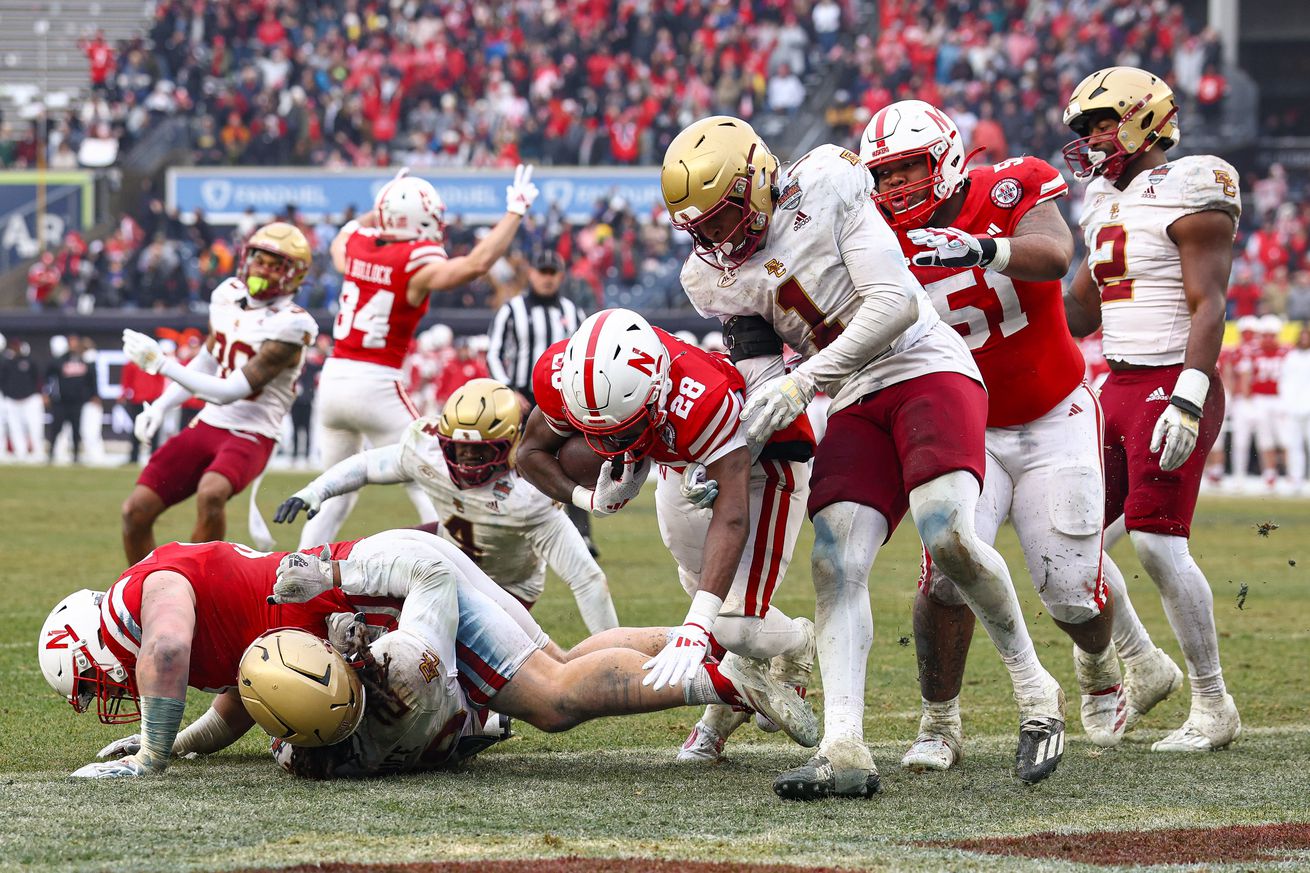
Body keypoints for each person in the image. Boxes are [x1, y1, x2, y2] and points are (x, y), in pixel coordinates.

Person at [663, 115, 1066, 796]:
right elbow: (765, 381)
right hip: (851, 392)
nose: (717, 240)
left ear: (760, 182)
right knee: (834, 559)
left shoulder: (830, 184)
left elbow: (894, 307)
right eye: (700, 229)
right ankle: (843, 745)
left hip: (925, 367)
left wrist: (805, 380)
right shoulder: (712, 275)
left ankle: (1037, 692)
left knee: (948, 533)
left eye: (725, 217)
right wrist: (736, 450)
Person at [860, 100, 1173, 767]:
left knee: (1066, 587)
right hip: (964, 426)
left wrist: (984, 248)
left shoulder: (1010, 185)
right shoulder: (875, 240)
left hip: (1053, 414)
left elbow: (1056, 254)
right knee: (946, 573)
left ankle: (1095, 665)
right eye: (884, 177)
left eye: (908, 169)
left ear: (944, 158)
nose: (896, 189)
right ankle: (939, 722)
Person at [38, 529, 815, 779]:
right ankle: (716, 641)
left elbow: (169, 644)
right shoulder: (169, 605)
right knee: (569, 658)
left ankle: (722, 679)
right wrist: (179, 739)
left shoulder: (151, 583)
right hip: (391, 576)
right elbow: (235, 701)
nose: (106, 688)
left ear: (88, 640)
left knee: (552, 697)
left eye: (90, 680)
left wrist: (149, 754)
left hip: (393, 583)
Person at [518, 308, 819, 763]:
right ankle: (733, 691)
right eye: (599, 433)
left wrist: (698, 627)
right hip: (682, 461)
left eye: (625, 431)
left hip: (761, 462)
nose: (613, 447)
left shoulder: (701, 398)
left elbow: (732, 516)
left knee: (728, 621)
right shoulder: (566, 377)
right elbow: (529, 453)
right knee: (697, 586)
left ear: (655, 391)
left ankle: (796, 643)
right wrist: (589, 499)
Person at [1062, 65, 1241, 751]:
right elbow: (1081, 306)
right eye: (1085, 128)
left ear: (1145, 118)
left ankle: (1213, 700)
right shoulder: (1102, 201)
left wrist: (1191, 397)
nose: (1093, 139)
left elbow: (1209, 302)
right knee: (1073, 541)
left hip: (1174, 377)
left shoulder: (1193, 186)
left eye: (1103, 123)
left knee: (1158, 542)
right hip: (1118, 384)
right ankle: (1145, 663)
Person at [299, 167, 540, 550]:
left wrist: (386, 201)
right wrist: (515, 212)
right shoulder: (414, 260)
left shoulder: (357, 243)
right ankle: (458, 563)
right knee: (429, 476)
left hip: (332, 382)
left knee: (333, 490)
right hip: (376, 383)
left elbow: (340, 240)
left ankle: (297, 568)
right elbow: (476, 265)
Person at [274, 378, 620, 634]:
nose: (467, 460)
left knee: (456, 666)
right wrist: (315, 491)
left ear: (513, 443)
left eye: (481, 450)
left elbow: (587, 579)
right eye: (458, 449)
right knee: (373, 554)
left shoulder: (529, 495)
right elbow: (367, 465)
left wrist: (609, 652)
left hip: (504, 589)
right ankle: (308, 621)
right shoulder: (427, 452)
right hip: (443, 552)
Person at [118, 222, 319, 565]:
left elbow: (229, 391)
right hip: (209, 422)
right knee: (134, 511)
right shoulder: (226, 295)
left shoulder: (293, 324)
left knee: (212, 494)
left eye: (275, 265)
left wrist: (161, 365)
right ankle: (141, 595)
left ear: (293, 274)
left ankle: (194, 587)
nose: (263, 270)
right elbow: (209, 360)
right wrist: (162, 406)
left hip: (253, 430)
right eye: (259, 260)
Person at [485, 248, 593, 551]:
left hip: (563, 398)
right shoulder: (511, 310)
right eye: (541, 272)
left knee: (573, 461)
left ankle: (581, 535)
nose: (546, 279)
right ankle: (504, 528)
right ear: (531, 274)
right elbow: (493, 352)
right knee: (513, 463)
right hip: (521, 396)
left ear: (560, 276)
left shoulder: (573, 311)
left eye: (552, 273)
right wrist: (507, 390)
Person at [1235, 315, 1288, 490]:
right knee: (1266, 439)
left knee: (1285, 439)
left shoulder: (1286, 352)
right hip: (1260, 399)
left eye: (1271, 335)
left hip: (1280, 398)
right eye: (1265, 335)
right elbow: (1246, 376)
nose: (1268, 339)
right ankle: (1270, 473)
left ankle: (1292, 474)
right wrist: (1247, 396)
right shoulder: (1253, 352)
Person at [46, 335, 98, 464]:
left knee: (76, 429)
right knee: (56, 428)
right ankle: (51, 453)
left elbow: (92, 379)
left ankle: (76, 456)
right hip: (61, 401)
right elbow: (49, 375)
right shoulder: (61, 360)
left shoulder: (84, 360)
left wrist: (94, 395)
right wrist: (47, 394)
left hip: (77, 401)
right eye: (71, 342)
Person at [119, 340, 170, 464]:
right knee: (137, 428)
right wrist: (124, 394)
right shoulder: (131, 364)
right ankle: (133, 457)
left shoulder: (155, 362)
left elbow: (160, 381)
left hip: (152, 400)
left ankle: (154, 456)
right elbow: (127, 382)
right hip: (137, 400)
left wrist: (158, 396)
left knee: (154, 429)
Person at [1, 338, 44, 460]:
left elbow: (38, 379)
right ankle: (20, 453)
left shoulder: (30, 361)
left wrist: (39, 394)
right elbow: (3, 381)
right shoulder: (7, 363)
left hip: (30, 399)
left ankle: (38, 452)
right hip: (12, 400)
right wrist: (7, 395)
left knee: (34, 427)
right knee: (15, 428)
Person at [1280, 324, 1310, 494]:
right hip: (1293, 407)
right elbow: (1284, 382)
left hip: (1309, 407)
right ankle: (1296, 478)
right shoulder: (1291, 357)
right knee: (1294, 445)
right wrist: (1286, 403)